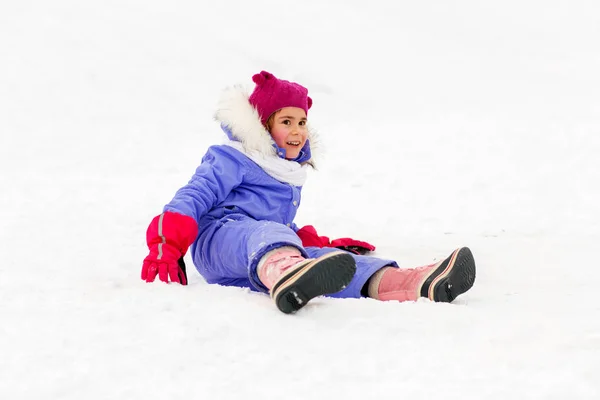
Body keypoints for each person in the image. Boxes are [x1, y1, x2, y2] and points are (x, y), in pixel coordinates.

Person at [141, 71, 476, 314]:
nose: (297, 131)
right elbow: (192, 197)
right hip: (218, 242)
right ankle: (288, 272)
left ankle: (408, 282)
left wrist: (322, 247)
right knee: (268, 234)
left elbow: (276, 226)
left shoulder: (287, 175)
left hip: (260, 252)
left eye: (302, 123)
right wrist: (165, 248)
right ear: (263, 124)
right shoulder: (233, 157)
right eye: (286, 121)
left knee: (331, 261)